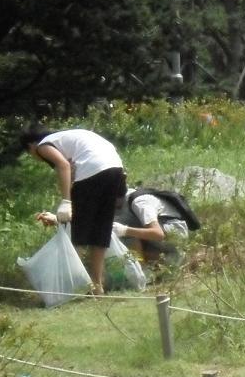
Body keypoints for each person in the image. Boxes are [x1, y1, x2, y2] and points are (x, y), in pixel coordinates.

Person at [20, 126, 127, 295]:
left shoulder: (43, 145)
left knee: (79, 233)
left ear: (31, 146)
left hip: (93, 169)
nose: (35, 157)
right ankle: (97, 286)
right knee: (100, 230)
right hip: (115, 168)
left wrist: (66, 201)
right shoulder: (66, 140)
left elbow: (63, 166)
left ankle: (70, 285)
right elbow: (70, 168)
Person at [112, 188, 193, 264]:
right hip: (161, 242)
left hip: (174, 233)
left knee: (126, 235)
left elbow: (158, 234)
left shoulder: (139, 202)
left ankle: (141, 269)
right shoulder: (118, 204)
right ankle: (145, 264)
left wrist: (124, 230)